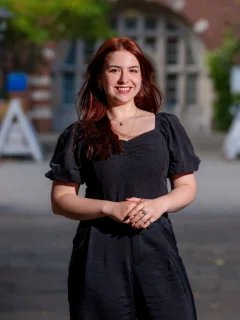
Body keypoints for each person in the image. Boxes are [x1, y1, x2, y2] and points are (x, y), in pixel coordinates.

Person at [45, 37, 200, 320]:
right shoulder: (79, 134)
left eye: (133, 70)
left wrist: (158, 205)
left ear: (143, 77)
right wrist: (109, 207)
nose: (124, 79)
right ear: (100, 77)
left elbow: (186, 187)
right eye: (114, 70)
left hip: (157, 249)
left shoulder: (167, 127)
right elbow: (61, 199)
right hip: (98, 254)